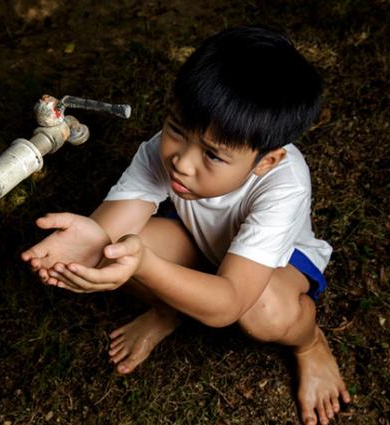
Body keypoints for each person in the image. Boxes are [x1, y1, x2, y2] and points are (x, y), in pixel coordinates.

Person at [21, 25, 350, 425]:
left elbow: (230, 303)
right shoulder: (167, 151)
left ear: (266, 161)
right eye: (176, 129)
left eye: (213, 155)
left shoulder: (285, 184)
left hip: (273, 271)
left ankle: (309, 344)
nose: (182, 161)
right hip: (198, 242)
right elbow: (112, 226)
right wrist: (91, 239)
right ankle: (170, 310)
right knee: (117, 249)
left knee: (265, 314)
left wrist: (144, 265)